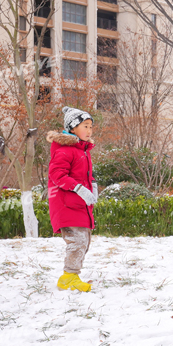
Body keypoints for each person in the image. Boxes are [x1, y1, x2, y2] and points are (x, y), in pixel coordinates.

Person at [47, 106, 98, 292]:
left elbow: (85, 175)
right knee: (77, 241)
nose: (89, 130)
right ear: (72, 128)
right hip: (67, 204)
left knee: (84, 241)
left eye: (91, 127)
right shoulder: (65, 150)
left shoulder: (82, 151)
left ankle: (72, 276)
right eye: (85, 126)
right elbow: (57, 175)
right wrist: (79, 189)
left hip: (80, 205)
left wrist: (93, 186)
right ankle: (68, 277)